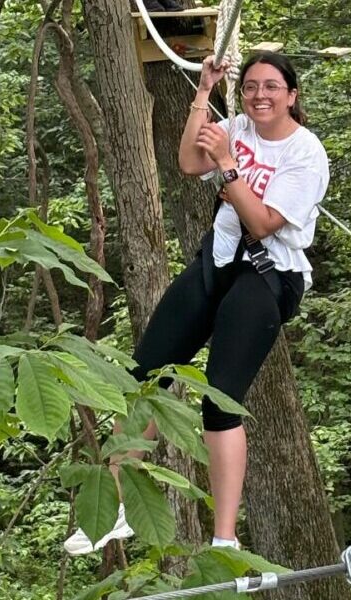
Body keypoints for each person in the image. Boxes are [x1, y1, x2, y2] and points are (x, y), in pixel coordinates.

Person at [64, 51, 329, 554]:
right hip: (220, 261)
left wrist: (229, 164)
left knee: (220, 402)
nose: (260, 96)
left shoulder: (306, 153)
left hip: (269, 278)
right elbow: (188, 163)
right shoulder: (238, 128)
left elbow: (265, 224)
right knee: (142, 378)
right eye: (251, 87)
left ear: (291, 95)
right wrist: (204, 93)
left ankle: (224, 539)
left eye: (271, 87)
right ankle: (113, 511)